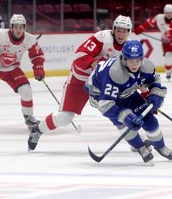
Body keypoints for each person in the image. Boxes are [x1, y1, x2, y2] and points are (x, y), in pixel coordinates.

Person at [27, 15, 132, 151]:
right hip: (80, 80)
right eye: (118, 30)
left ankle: (134, 141)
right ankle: (38, 129)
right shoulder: (102, 38)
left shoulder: (129, 47)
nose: (121, 34)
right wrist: (97, 65)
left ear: (129, 32)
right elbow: (80, 55)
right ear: (113, 30)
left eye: (124, 31)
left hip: (102, 85)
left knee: (119, 112)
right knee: (65, 118)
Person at [85, 40, 172, 163]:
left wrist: (156, 94)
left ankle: (161, 147)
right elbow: (105, 104)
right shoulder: (115, 73)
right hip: (100, 95)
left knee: (148, 119)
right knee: (125, 123)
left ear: (142, 58)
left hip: (126, 91)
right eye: (130, 60)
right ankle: (140, 148)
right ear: (124, 59)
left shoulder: (147, 66)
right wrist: (123, 116)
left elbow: (154, 80)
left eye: (138, 60)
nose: (134, 64)